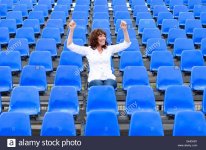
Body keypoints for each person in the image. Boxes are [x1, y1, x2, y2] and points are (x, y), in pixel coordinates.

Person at [67, 20, 131, 89]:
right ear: (95, 38)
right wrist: (71, 30)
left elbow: (126, 44)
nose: (103, 38)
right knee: (97, 85)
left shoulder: (109, 49)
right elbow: (70, 45)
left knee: (108, 86)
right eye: (101, 36)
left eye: (104, 36)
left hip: (109, 78)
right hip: (94, 78)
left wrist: (124, 30)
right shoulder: (88, 50)